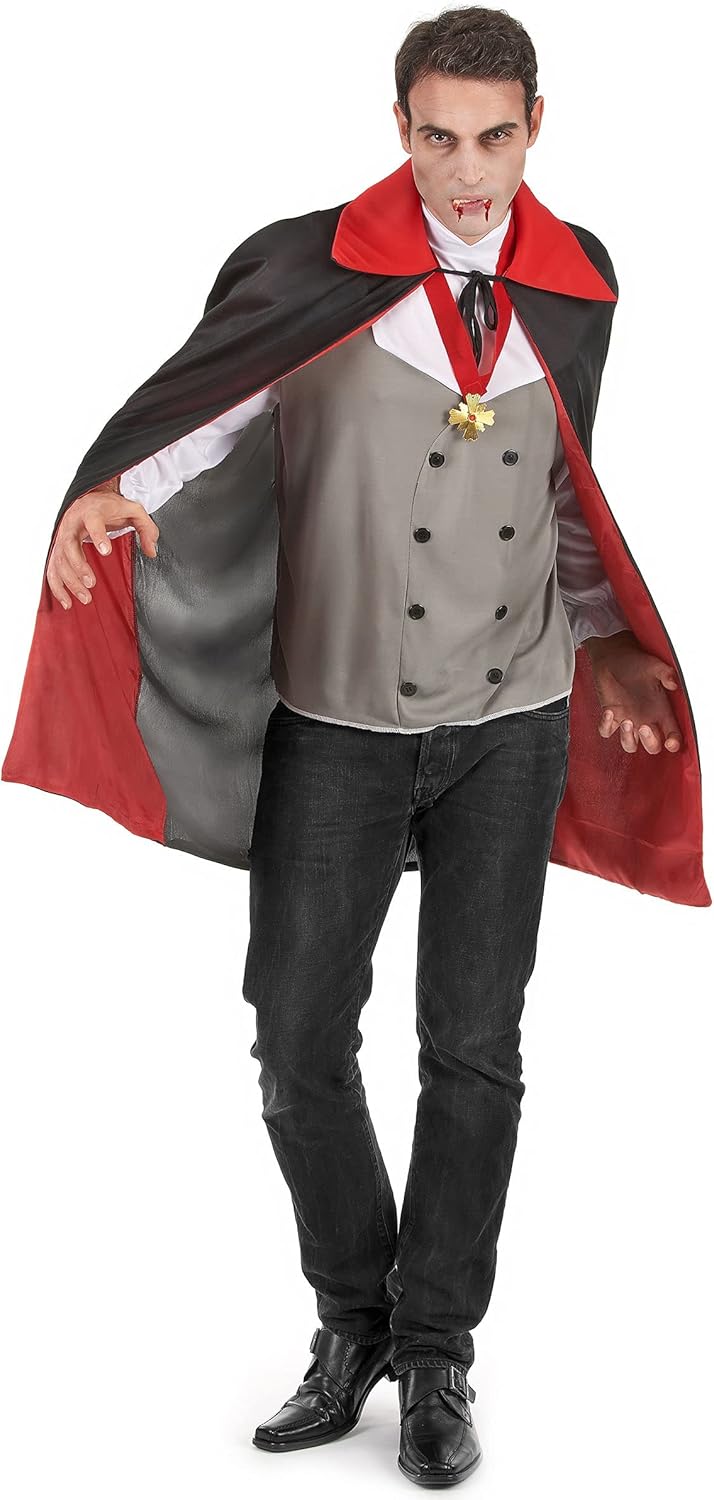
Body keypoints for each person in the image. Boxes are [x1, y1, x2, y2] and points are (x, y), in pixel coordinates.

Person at [3, 6, 709, 1489]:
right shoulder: (311, 268)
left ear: (536, 127)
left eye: (495, 138)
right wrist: (113, 488)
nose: (468, 172)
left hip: (509, 721)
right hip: (336, 719)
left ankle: (436, 1347)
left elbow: (566, 488)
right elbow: (206, 411)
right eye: (438, 137)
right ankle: (356, 1317)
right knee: (297, 1039)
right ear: (399, 126)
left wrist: (609, 638)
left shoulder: (576, 282)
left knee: (475, 1046)